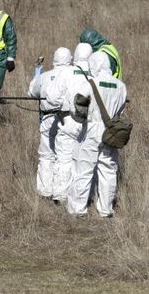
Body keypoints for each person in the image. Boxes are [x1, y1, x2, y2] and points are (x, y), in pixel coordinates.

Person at [67, 52, 127, 217]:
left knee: (84, 169)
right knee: (108, 170)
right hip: (111, 131)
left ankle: (78, 210)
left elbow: (76, 108)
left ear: (94, 65)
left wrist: (79, 119)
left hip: (92, 130)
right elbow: (121, 111)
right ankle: (106, 210)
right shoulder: (121, 86)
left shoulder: (90, 83)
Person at [45, 43, 92, 202]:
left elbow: (51, 97)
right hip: (89, 124)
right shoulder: (94, 75)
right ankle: (82, 197)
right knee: (84, 161)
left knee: (64, 158)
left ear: (76, 56)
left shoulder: (68, 72)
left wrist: (62, 102)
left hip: (68, 120)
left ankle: (60, 196)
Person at [28, 47, 72, 198]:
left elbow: (32, 93)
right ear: (70, 59)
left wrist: (38, 72)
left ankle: (44, 191)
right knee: (64, 156)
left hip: (46, 119)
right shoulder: (72, 74)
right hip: (66, 119)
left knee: (46, 155)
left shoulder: (44, 76)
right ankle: (61, 194)